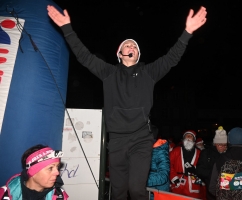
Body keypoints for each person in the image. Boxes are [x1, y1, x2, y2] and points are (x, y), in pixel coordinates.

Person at [47, 4, 207, 200]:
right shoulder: (108, 73)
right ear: (119, 53)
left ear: (138, 54)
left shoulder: (148, 72)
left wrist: (187, 32)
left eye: (134, 46)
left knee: (137, 190)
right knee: (119, 192)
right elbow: (84, 56)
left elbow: (171, 58)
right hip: (117, 141)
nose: (131, 47)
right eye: (127, 45)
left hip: (141, 138)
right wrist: (67, 29)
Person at [0, 144, 68, 200]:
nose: (57, 173)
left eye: (57, 167)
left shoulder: (59, 195)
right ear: (32, 172)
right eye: (50, 168)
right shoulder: (4, 195)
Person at [169, 130, 206, 199]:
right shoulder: (176, 151)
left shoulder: (199, 153)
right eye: (187, 136)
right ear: (183, 139)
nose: (188, 137)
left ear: (194, 140)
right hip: (178, 184)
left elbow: (204, 167)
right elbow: (169, 164)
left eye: (191, 136)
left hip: (193, 186)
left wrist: (195, 170)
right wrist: (174, 178)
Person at [196, 126, 227, 200]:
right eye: (220, 144)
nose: (223, 147)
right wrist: (215, 174)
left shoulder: (229, 154)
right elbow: (200, 170)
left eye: (225, 145)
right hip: (212, 190)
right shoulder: (206, 153)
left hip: (227, 191)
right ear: (215, 143)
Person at [147, 127, 170, 200]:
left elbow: (163, 176)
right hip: (148, 193)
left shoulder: (160, 151)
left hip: (158, 194)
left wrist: (143, 181)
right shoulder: (145, 150)